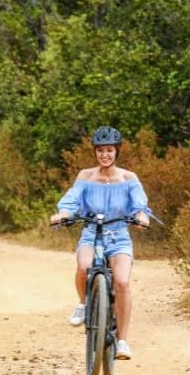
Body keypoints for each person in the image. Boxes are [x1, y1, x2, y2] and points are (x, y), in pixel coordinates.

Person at [49, 126, 150, 360]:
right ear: (95, 152)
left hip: (118, 236)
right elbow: (72, 199)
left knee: (122, 282)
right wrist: (63, 213)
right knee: (84, 267)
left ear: (117, 152)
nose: (105, 155)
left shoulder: (128, 178)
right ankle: (83, 304)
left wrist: (141, 217)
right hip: (91, 233)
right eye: (100, 150)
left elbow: (140, 205)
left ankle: (122, 341)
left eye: (109, 150)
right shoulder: (86, 176)